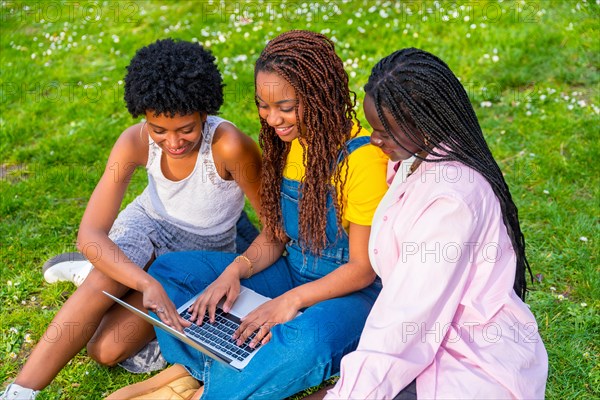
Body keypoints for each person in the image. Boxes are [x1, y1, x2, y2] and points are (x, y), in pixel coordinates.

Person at [107, 30, 390, 400]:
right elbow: (275, 237)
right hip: (292, 271)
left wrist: (290, 302)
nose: (273, 119)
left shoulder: (363, 159)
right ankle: (201, 368)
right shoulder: (288, 143)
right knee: (171, 272)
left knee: (307, 341)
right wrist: (234, 271)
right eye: (264, 105)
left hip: (351, 294)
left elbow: (362, 270)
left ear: (321, 96)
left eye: (286, 107)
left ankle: (203, 389)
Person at [1, 38, 262, 400]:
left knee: (105, 350)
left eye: (186, 129)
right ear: (144, 116)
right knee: (106, 275)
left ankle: (110, 278)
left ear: (205, 111)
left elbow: (275, 228)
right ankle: (19, 392)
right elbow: (91, 233)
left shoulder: (230, 146)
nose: (172, 142)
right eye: (159, 129)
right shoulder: (134, 141)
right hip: (148, 225)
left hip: (199, 251)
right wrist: (144, 283)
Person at [325, 48, 549, 399]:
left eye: (385, 132)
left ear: (425, 125)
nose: (374, 139)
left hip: (468, 359)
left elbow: (406, 322)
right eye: (372, 126)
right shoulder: (418, 156)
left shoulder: (451, 201)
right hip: (428, 330)